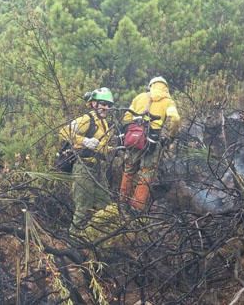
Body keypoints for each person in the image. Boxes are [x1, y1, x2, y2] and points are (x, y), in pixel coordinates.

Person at [59, 87, 115, 235]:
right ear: (94, 104)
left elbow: (99, 146)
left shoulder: (104, 123)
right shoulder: (86, 119)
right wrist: (84, 141)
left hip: (98, 170)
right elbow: (64, 131)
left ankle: (101, 238)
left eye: (109, 105)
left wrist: (112, 149)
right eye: (103, 103)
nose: (106, 108)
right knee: (83, 207)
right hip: (84, 168)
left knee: (106, 206)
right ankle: (73, 240)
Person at [119, 76, 181, 210]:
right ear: (165, 87)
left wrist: (129, 132)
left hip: (135, 138)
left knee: (129, 169)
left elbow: (126, 117)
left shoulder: (139, 97)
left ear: (151, 85)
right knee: (147, 173)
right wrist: (169, 136)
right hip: (153, 140)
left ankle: (122, 203)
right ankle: (136, 208)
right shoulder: (168, 101)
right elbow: (175, 119)